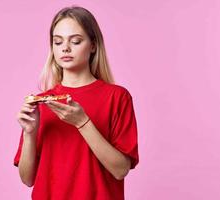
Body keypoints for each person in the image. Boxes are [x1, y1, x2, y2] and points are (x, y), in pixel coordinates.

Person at [14, 5, 139, 200]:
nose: (65, 48)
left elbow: (121, 170)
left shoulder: (117, 97)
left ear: (93, 45)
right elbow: (27, 179)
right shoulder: (41, 103)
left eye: (76, 41)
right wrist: (29, 133)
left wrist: (82, 122)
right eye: (57, 42)